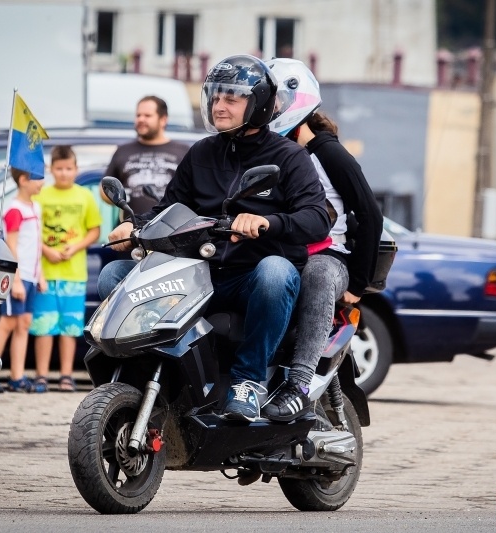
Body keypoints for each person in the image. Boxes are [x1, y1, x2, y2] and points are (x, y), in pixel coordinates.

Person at [101, 54, 330, 421]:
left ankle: (248, 382)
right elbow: (171, 206)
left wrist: (267, 222)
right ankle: (143, 380)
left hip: (249, 277)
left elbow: (318, 218)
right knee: (114, 276)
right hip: (198, 273)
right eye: (216, 97)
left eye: (232, 98)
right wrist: (135, 226)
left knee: (276, 271)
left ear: (258, 105)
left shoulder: (289, 158)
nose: (219, 106)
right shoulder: (201, 152)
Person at [261, 58, 383, 421]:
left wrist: (358, 284)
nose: (269, 109)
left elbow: (371, 215)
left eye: (275, 102)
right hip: (287, 252)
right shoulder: (277, 152)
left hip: (331, 257)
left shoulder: (330, 154)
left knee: (317, 273)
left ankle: (299, 383)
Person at [97, 95, 189, 298]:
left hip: (172, 245)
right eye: (138, 115)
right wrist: (118, 196)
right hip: (129, 243)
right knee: (119, 297)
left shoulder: (184, 151)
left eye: (147, 115)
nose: (141, 119)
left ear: (163, 119)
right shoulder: (123, 151)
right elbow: (104, 189)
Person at [30, 145, 102, 392]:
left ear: (76, 169)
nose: (64, 174)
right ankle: (41, 375)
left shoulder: (84, 196)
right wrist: (45, 249)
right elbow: (31, 231)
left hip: (75, 274)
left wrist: (75, 247)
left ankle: (66, 375)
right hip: (45, 274)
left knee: (70, 327)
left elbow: (94, 230)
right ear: (51, 169)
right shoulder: (41, 196)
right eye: (59, 169)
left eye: (68, 169)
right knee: (44, 325)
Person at [0, 168, 47, 393]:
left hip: (31, 274)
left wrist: (41, 274)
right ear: (23, 180)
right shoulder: (14, 210)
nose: (42, 182)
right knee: (8, 322)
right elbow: (11, 245)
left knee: (24, 324)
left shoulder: (35, 207)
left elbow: (35, 244)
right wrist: (16, 279)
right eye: (38, 177)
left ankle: (17, 377)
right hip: (17, 276)